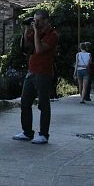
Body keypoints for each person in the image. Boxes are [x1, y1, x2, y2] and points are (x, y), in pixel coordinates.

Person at [13, 10, 58, 144]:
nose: (36, 23)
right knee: (25, 102)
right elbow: (26, 46)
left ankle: (44, 134)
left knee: (43, 105)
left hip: (43, 72)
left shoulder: (52, 35)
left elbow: (39, 49)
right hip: (31, 71)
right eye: (35, 20)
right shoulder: (35, 32)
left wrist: (36, 32)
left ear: (45, 21)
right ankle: (27, 132)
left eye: (38, 20)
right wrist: (26, 30)